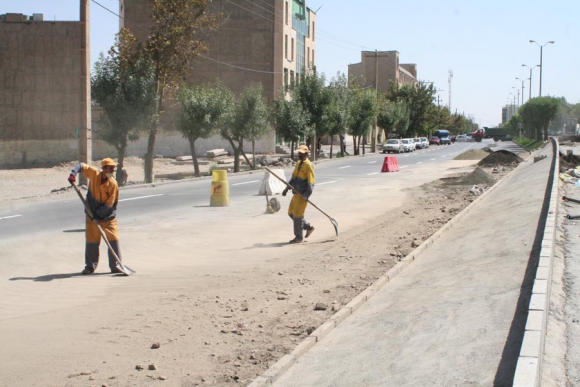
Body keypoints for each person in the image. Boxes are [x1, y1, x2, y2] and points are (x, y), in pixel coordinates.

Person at [68, 158, 124, 274]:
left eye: (113, 168)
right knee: (91, 241)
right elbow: (82, 166)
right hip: (91, 215)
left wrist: (97, 215)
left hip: (108, 217)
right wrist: (73, 173)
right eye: (110, 168)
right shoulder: (94, 174)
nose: (112, 170)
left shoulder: (113, 183)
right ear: (103, 168)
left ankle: (116, 266)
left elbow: (110, 203)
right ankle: (90, 266)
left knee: (113, 240)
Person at [282, 145, 315, 243]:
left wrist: (306, 195)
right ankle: (308, 227)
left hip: (302, 195)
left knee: (297, 215)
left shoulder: (308, 165)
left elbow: (311, 182)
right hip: (296, 193)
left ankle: (298, 237)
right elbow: (294, 178)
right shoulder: (298, 163)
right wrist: (287, 188)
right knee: (291, 213)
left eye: (302, 153)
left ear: (306, 153)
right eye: (299, 153)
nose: (300, 154)